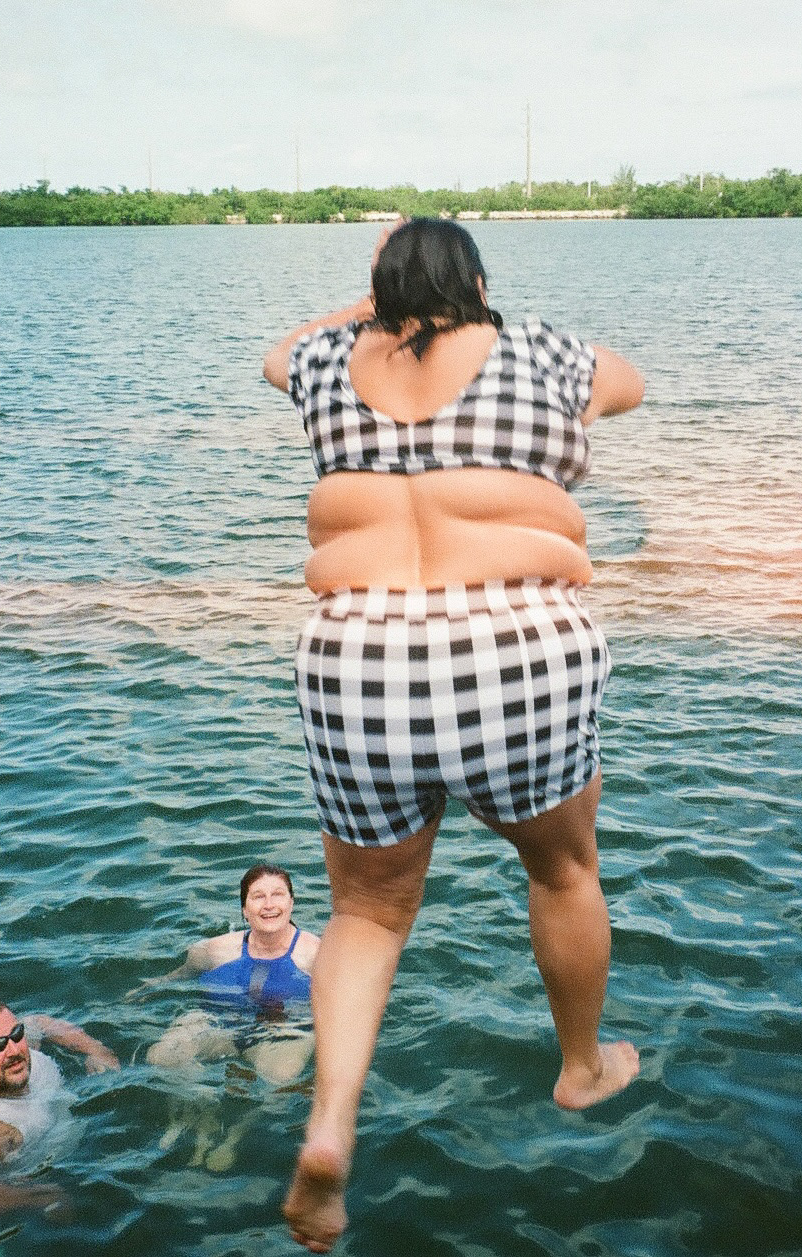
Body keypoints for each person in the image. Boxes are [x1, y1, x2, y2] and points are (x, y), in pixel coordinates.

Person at [262, 217, 645, 1251]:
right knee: (562, 870)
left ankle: (329, 1127)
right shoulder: (542, 352)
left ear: (379, 290)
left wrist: (365, 312)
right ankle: (579, 1068)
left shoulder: (324, 364)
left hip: (356, 655)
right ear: (476, 282)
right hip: (516, 645)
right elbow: (629, 382)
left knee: (365, 912)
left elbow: (275, 354)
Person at [144, 864, 320, 1085]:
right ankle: (202, 1097)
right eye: (258, 896)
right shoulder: (212, 951)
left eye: (277, 894)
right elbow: (176, 977)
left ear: (291, 903)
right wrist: (145, 990)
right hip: (218, 1022)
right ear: (244, 909)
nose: (269, 905)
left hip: (286, 1029)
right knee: (162, 1057)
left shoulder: (317, 955)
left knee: (280, 1077)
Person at [0, 1000, 119, 1216]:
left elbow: (38, 1022)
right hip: (34, 1193)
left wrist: (95, 1049)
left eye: (16, 1033)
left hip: (83, 1159)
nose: (14, 1050)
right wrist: (43, 1197)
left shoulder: (20, 1056)